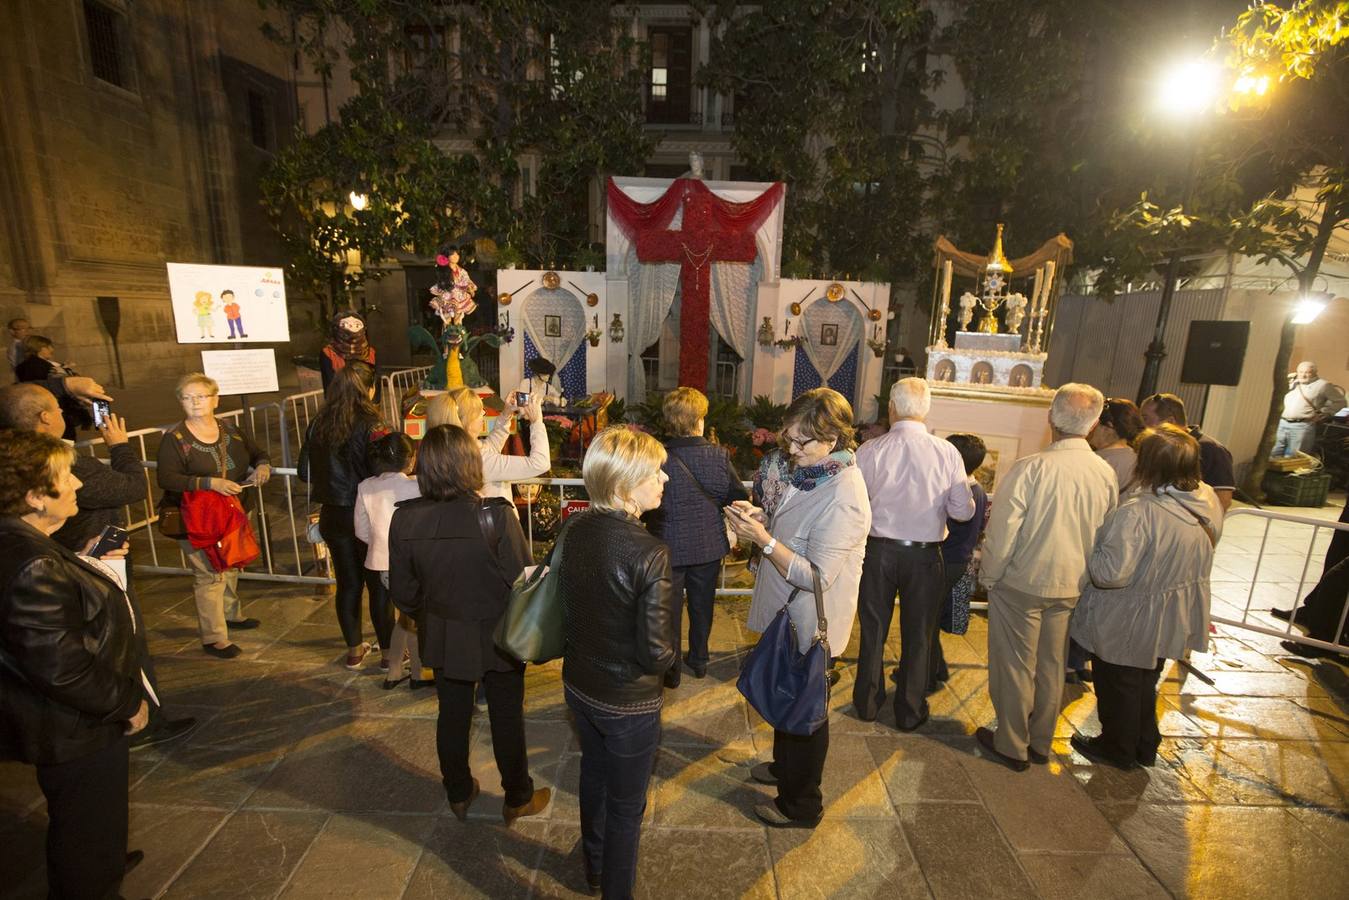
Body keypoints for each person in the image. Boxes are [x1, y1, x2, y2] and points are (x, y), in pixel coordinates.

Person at [0, 384, 197, 748]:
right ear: (37, 497)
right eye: (58, 409)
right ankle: (142, 719)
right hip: (93, 571)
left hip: (82, 560)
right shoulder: (53, 469)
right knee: (121, 644)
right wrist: (119, 446)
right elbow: (132, 487)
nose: (74, 483)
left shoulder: (15, 458)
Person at [0, 430, 149, 899]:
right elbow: (61, 668)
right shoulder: (33, 563)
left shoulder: (26, 542)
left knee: (92, 826)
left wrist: (83, 563)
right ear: (34, 496)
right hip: (75, 727)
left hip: (66, 722)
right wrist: (127, 702)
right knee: (86, 832)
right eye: (65, 478)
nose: (78, 487)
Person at [387, 425, 551, 825]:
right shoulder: (495, 515)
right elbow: (521, 580)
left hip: (444, 633)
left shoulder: (405, 521)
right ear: (469, 464)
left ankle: (458, 792)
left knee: (453, 714)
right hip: (499, 634)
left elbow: (404, 594)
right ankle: (517, 796)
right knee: (506, 715)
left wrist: (433, 613)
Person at [728, 388, 871, 828]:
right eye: (788, 439)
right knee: (787, 697)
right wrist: (762, 519)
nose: (791, 449)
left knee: (805, 711)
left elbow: (816, 576)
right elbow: (796, 528)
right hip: (788, 609)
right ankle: (782, 769)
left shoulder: (844, 491)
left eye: (801, 442)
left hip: (810, 619)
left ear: (831, 438)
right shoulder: (814, 472)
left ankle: (801, 804)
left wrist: (764, 542)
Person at [557, 427, 677, 895]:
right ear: (626, 486)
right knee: (627, 810)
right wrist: (673, 654)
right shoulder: (650, 553)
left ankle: (593, 865)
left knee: (593, 771)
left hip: (579, 685)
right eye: (655, 472)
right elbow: (656, 652)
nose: (664, 478)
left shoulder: (576, 527)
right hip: (628, 703)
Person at [976, 383, 1117, 772]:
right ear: (1091, 426)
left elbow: (1004, 531)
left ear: (1051, 417)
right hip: (1071, 582)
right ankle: (1040, 740)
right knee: (1052, 664)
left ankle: (1011, 743)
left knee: (1015, 664)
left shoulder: (1032, 468)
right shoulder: (1103, 473)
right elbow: (1106, 532)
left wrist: (989, 575)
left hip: (1023, 581)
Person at [1069, 425, 1223, 769]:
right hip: (1170, 608)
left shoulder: (1139, 511)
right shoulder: (1206, 497)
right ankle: (1144, 742)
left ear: (1147, 463)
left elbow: (1111, 573)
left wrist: (1088, 547)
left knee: (1117, 681)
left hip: (1130, 611)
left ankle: (1117, 748)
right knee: (1144, 678)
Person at [853, 378, 974, 730]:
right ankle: (908, 710)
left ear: (891, 407)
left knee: (873, 629)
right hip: (924, 555)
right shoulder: (946, 452)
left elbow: (855, 504)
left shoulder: (871, 450)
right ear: (927, 409)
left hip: (878, 552)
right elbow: (963, 512)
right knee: (919, 633)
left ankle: (868, 702)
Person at [156, 373, 271, 659]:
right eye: (187, 397)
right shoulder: (176, 438)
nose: (195, 402)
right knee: (209, 574)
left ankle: (232, 614)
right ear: (180, 402)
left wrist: (263, 466)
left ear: (215, 400)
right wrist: (210, 483)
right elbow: (167, 477)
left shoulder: (230, 429)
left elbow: (258, 453)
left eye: (201, 396)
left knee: (230, 563)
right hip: (196, 517)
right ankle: (214, 636)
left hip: (232, 512)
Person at [647, 386, 748, 684]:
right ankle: (700, 661)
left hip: (667, 545)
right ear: (700, 420)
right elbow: (736, 496)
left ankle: (671, 670)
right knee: (702, 607)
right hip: (707, 546)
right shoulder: (718, 456)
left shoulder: (657, 456)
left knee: (668, 611)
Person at [299, 361, 392, 669]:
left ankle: (354, 650)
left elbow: (303, 471)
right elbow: (384, 469)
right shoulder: (372, 423)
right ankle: (390, 654)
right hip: (366, 513)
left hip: (333, 515)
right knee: (378, 585)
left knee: (348, 584)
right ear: (371, 389)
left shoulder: (319, 421)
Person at [354, 433, 424, 689]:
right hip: (409, 561)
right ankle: (416, 672)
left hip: (381, 563)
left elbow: (361, 530)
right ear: (412, 459)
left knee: (405, 618)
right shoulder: (416, 485)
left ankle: (396, 670)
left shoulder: (365, 486)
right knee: (413, 618)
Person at [921, 432, 988, 692]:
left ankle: (926, 678)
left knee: (926, 621)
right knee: (931, 620)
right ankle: (936, 669)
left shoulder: (964, 494)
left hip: (946, 562)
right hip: (957, 561)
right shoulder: (976, 489)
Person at [426, 386, 549, 503]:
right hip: (498, 523)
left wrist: (506, 414)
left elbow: (491, 447)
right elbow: (540, 463)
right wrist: (536, 422)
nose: (483, 414)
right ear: (468, 422)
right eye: (480, 411)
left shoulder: (458, 452)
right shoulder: (480, 460)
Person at [1141, 392, 1235, 512]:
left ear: (1170, 421)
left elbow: (1223, 500)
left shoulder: (1212, 450)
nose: (1143, 426)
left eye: (1146, 419)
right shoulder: (1156, 446)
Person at [14, 335, 85, 440]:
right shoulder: (40, 366)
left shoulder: (24, 366)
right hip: (50, 407)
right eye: (48, 346)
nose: (52, 349)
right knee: (64, 438)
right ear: (40, 348)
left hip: (38, 408)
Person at [1274, 361, 1346, 458]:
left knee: (1294, 457)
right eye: (1300, 372)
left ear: (1314, 373)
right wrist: (1287, 381)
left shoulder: (1323, 385)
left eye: (1307, 372)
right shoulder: (1293, 383)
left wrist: (1325, 412)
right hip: (1282, 423)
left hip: (1302, 426)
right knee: (1273, 453)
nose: (1303, 375)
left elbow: (1341, 401)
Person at [1088, 397, 1146, 492]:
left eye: (1094, 423)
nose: (1090, 427)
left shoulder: (1097, 461)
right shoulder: (1138, 459)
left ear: (1109, 426)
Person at [320, 308, 377, 391]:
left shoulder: (370, 352)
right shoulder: (328, 353)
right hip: (341, 399)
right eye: (345, 325)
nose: (352, 328)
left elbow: (376, 381)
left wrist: (375, 402)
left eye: (357, 325)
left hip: (367, 399)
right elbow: (329, 383)